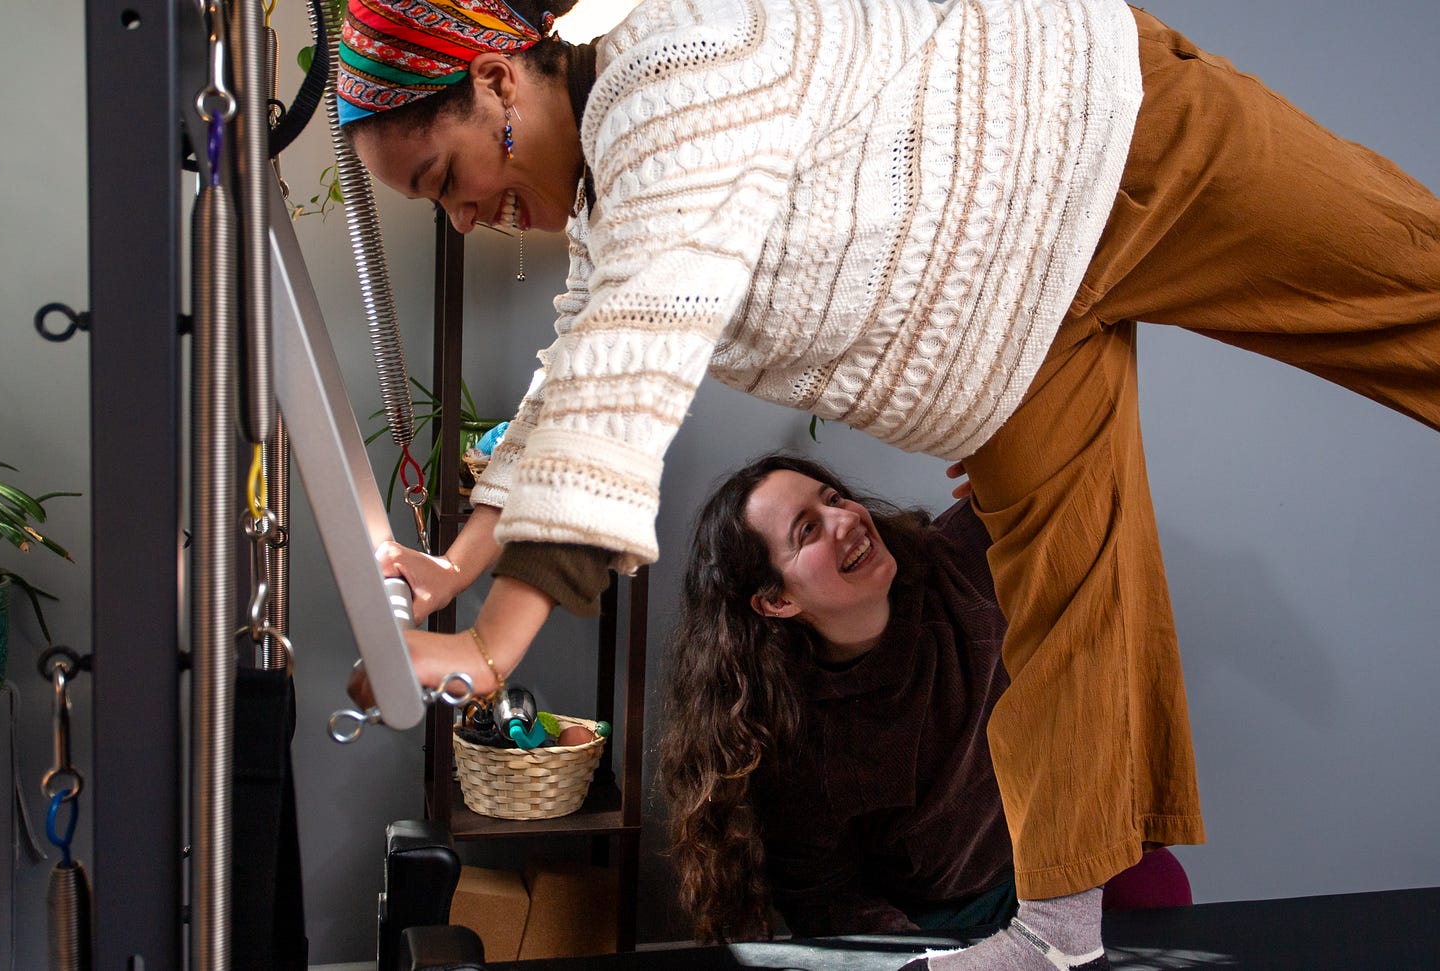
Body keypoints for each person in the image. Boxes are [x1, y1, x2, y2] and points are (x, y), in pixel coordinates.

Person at [340, 1, 1440, 966]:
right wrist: (459, 562)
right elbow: (572, 374)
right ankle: (1057, 924)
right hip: (1013, 332)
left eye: (445, 181)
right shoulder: (603, 202)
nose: (464, 217)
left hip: (1106, 137)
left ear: (495, 82)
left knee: (1412, 286)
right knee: (1066, 589)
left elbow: (630, 355)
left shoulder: (659, 75)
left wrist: (493, 647)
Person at [659, 453, 1017, 942]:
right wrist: (921, 951)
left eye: (833, 499)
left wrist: (1014, 463)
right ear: (778, 602)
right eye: (807, 530)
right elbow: (825, 897)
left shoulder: (962, 557)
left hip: (1075, 852)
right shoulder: (797, 740)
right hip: (953, 916)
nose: (847, 519)